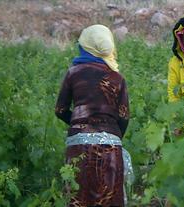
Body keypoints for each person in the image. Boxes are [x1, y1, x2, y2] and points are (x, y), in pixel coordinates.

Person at [55, 24, 130, 207]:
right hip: (110, 147)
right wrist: (112, 135)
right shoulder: (117, 78)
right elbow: (124, 116)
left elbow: (60, 110)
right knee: (109, 199)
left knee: (78, 199)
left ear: (85, 46)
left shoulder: (73, 73)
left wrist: (78, 123)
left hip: (78, 146)